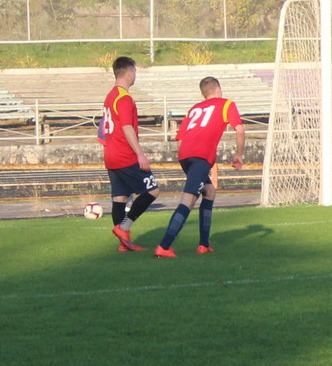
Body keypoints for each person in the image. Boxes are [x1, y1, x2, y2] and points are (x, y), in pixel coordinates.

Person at [155, 76, 246, 257]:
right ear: (218, 89)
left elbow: (180, 138)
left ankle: (204, 244)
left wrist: (188, 161)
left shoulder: (194, 109)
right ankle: (164, 246)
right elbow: (240, 129)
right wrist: (238, 154)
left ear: (203, 94)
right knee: (188, 199)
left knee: (209, 191)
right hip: (200, 157)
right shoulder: (226, 104)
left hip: (185, 156)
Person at [100, 56, 157, 252]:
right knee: (152, 191)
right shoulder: (123, 97)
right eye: (135, 71)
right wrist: (140, 154)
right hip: (125, 154)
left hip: (111, 154)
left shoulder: (110, 96)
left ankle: (123, 245)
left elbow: (104, 129)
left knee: (120, 198)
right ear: (130, 72)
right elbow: (126, 127)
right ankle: (124, 228)